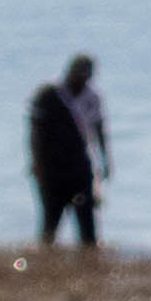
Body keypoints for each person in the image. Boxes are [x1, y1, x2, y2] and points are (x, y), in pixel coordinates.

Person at [29, 52, 111, 248]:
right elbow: (35, 133)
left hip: (79, 167)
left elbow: (99, 129)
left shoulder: (92, 98)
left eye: (87, 73)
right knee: (50, 221)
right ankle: (44, 262)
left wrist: (106, 160)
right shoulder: (48, 96)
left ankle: (90, 264)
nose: (82, 77)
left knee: (87, 222)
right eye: (79, 72)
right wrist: (37, 163)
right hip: (51, 169)